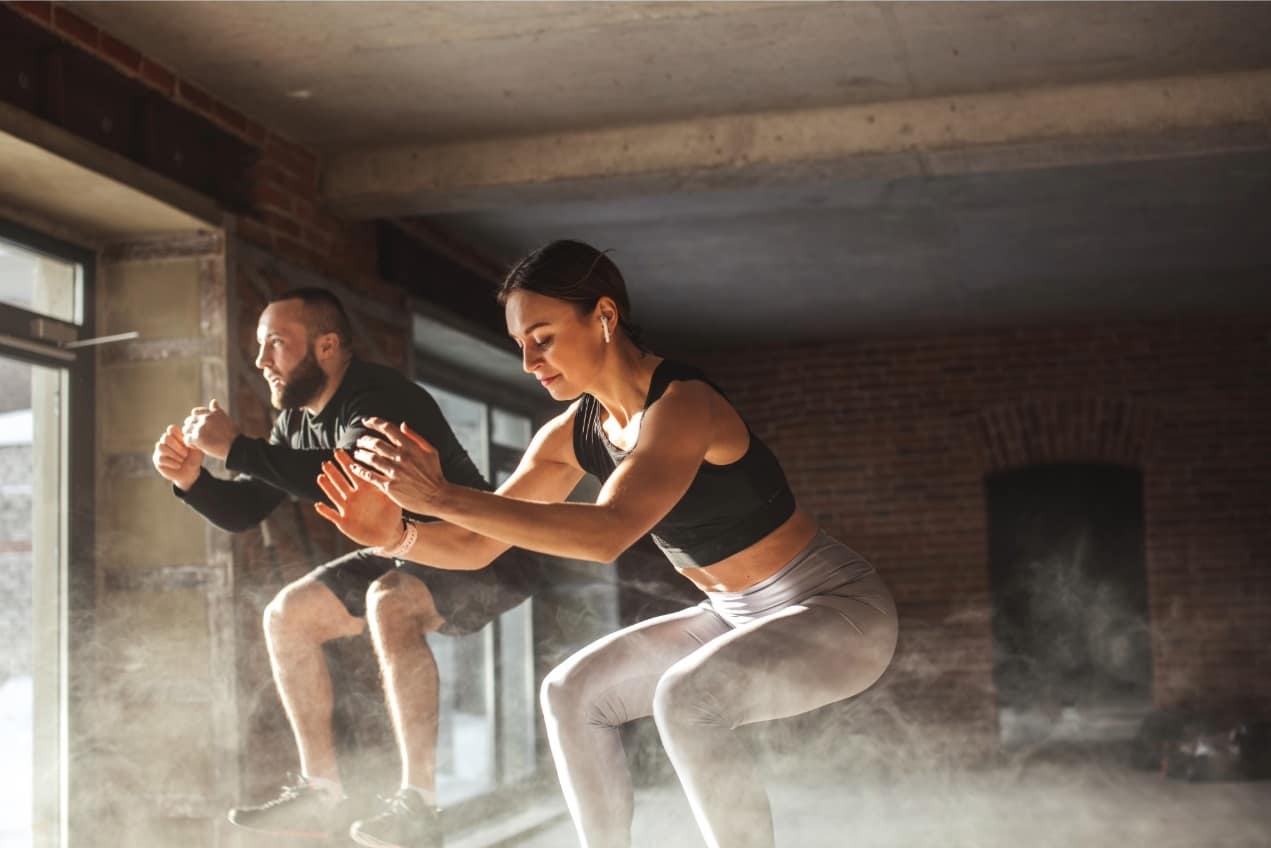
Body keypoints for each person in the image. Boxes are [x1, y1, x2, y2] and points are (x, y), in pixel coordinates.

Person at [313, 241, 899, 848]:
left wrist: (442, 496)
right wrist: (399, 535)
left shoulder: (685, 404)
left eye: (542, 337)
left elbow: (608, 532)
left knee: (685, 699)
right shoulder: (571, 433)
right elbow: (475, 545)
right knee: (571, 692)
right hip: (732, 614)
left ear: (604, 316)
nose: (529, 362)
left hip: (838, 610)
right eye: (520, 344)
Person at [151, 287, 540, 848]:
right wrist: (191, 480)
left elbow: (348, 475)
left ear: (328, 346)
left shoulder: (380, 396)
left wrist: (236, 447)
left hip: (485, 550)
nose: (261, 361)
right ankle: (323, 792)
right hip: (402, 548)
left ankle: (419, 806)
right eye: (260, 347)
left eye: (276, 344)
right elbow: (246, 509)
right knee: (287, 614)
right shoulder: (295, 422)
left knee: (390, 600)